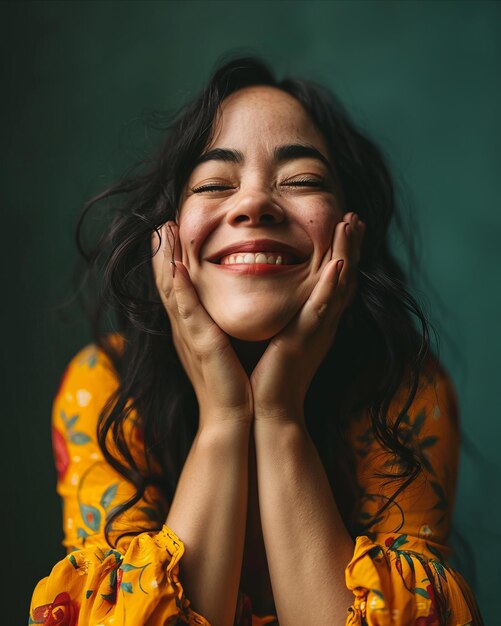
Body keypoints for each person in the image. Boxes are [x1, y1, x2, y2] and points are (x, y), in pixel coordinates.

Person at [30, 56, 483, 626]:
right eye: (215, 184)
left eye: (300, 181)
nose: (254, 204)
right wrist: (223, 417)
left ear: (352, 231)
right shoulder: (105, 385)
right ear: (167, 238)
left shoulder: (406, 391)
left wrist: (278, 414)